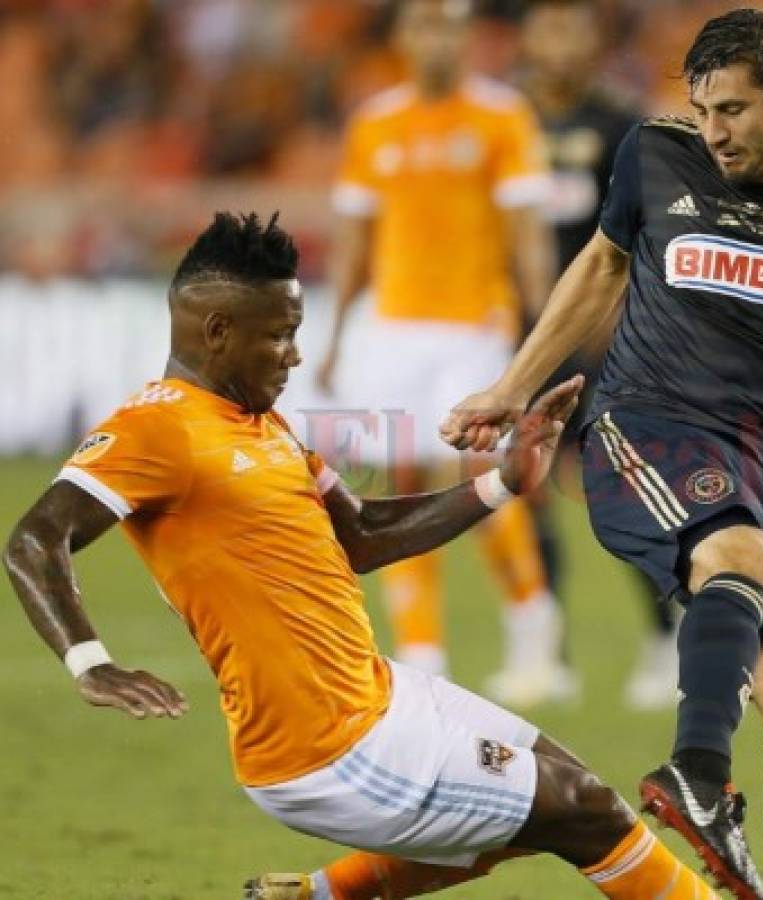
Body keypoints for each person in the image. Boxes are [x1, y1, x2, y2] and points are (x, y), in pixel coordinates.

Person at [3, 212, 723, 900]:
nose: (295, 354)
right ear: (217, 331)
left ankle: (318, 895)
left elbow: (364, 535)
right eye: (280, 336)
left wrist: (503, 481)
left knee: (558, 789)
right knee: (586, 809)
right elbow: (35, 540)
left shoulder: (264, 424)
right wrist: (90, 662)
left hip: (375, 693)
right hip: (326, 752)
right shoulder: (157, 427)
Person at [441, 4, 763, 899]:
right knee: (736, 555)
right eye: (703, 109)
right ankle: (697, 775)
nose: (714, 132)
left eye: (735, 111)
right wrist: (511, 390)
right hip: (644, 420)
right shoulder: (652, 154)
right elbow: (601, 267)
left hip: (758, 456)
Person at [311, 0, 571, 705]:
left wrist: (540, 327)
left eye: (449, 26)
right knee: (397, 482)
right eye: (424, 24)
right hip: (393, 328)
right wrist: (334, 335)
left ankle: (532, 630)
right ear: (401, 37)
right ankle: (421, 652)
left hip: (473, 325)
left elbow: (525, 231)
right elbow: (354, 240)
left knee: (481, 473)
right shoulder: (374, 124)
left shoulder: (501, 117)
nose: (437, 39)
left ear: (467, 39)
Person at [516, 0, 679, 711]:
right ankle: (541, 645)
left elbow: (649, 232)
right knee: (521, 494)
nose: (560, 43)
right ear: (527, 38)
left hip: (604, 335)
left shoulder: (621, 125)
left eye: (572, 29)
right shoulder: (503, 120)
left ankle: (664, 637)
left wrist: (618, 320)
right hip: (524, 336)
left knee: (617, 487)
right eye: (548, 28)